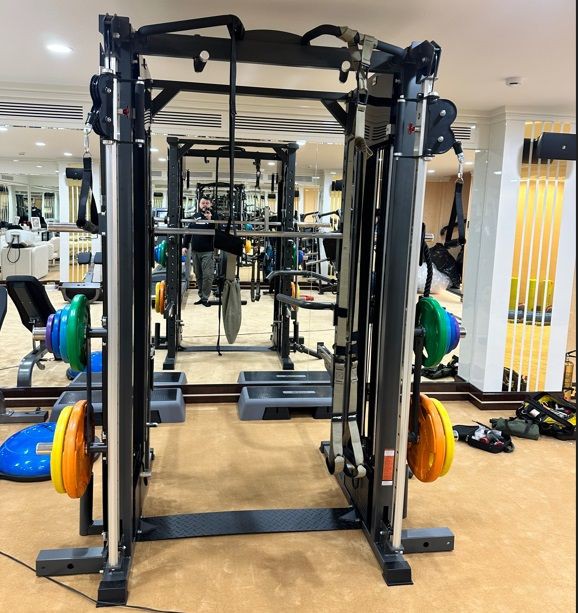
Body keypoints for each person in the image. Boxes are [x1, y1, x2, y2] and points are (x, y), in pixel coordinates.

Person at [182, 196, 217, 306]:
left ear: (210, 204)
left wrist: (210, 220)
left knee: (207, 275)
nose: (205, 205)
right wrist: (185, 246)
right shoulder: (195, 216)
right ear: (199, 204)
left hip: (208, 251)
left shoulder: (214, 216)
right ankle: (202, 296)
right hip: (195, 251)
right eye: (203, 203)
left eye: (207, 203)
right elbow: (189, 231)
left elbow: (217, 231)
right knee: (198, 275)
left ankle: (205, 298)